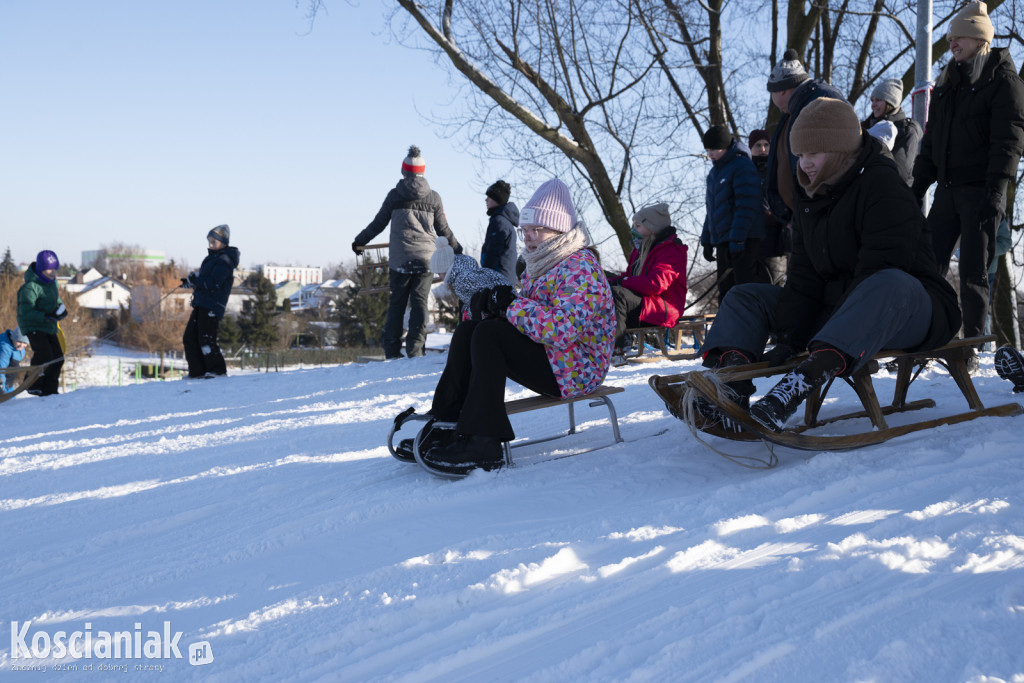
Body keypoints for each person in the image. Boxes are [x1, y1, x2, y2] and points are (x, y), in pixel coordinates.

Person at [694, 98, 961, 433]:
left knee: (889, 281)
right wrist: (792, 336)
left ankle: (800, 383)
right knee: (745, 296)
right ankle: (730, 382)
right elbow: (804, 276)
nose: (804, 164)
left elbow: (882, 265)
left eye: (813, 154)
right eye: (800, 155)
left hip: (910, 307)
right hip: (838, 309)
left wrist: (822, 329)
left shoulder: (883, 186)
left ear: (839, 150)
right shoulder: (810, 194)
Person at [402, 178, 616, 475]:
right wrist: (488, 308)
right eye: (525, 230)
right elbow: (525, 318)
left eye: (536, 230)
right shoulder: (541, 264)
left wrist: (509, 307)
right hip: (554, 359)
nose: (527, 238)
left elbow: (563, 328)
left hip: (578, 369)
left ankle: (483, 441)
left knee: (491, 336)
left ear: (559, 229)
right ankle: (446, 421)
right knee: (472, 331)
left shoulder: (580, 267)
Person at [911, 1, 1024, 373]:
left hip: (981, 191)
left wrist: (996, 193)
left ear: (978, 38)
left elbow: (1007, 142)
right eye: (949, 36)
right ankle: (921, 339)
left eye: (958, 35)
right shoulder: (947, 83)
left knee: (974, 271)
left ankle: (972, 346)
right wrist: (916, 186)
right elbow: (931, 142)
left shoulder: (1003, 81)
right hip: (946, 189)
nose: (951, 41)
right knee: (928, 265)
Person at [352, 146, 464, 359]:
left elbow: (378, 223)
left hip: (400, 259)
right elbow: (443, 230)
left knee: (398, 304)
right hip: (425, 260)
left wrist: (360, 241)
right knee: (420, 303)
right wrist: (458, 249)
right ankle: (415, 349)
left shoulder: (394, 195)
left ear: (404, 171)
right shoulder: (434, 198)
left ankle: (392, 350)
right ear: (423, 171)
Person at [764, 49, 846, 225]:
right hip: (804, 215)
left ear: (782, 90)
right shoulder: (794, 110)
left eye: (772, 92)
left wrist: (816, 206)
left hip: (821, 214)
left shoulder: (822, 100)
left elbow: (840, 157)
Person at [607, 203, 688, 363]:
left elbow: (656, 283)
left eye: (638, 225)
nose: (633, 230)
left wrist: (623, 282)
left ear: (652, 227)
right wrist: (605, 281)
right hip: (646, 302)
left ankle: (618, 349)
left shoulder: (670, 250)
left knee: (618, 294)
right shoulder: (641, 249)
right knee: (607, 286)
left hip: (664, 307)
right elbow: (630, 276)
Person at [700, 125, 764, 303]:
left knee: (743, 288)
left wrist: (738, 238)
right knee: (725, 289)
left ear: (725, 146)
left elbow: (747, 204)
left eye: (715, 149)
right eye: (708, 150)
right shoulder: (714, 173)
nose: (711, 154)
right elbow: (711, 210)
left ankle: (750, 327)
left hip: (744, 239)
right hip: (723, 240)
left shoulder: (742, 166)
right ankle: (728, 328)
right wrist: (707, 240)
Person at [181, 224, 240, 379]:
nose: (210, 245)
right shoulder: (213, 258)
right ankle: (197, 371)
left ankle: (217, 370)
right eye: (209, 241)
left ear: (223, 242)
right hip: (202, 303)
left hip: (212, 305)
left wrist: (197, 280)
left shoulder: (225, 260)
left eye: (214, 242)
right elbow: (204, 280)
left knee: (206, 338)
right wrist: (192, 282)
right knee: (189, 338)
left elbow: (214, 282)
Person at [16, 250, 67, 396]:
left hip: (49, 325)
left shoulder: (52, 284)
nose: (53, 272)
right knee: (45, 354)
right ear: (40, 269)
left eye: (55, 269)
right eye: (49, 269)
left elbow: (56, 301)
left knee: (57, 358)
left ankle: (49, 389)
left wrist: (61, 310)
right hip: (32, 325)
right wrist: (45, 316)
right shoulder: (30, 287)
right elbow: (25, 312)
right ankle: (32, 384)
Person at [429, 235, 512, 322]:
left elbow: (476, 305)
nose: (439, 277)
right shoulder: (472, 272)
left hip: (495, 316)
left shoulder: (461, 281)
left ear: (446, 269)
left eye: (439, 273)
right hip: (507, 307)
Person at [860, 78, 922, 185]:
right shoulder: (866, 128)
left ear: (891, 102)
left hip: (890, 194)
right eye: (872, 100)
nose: (873, 105)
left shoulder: (906, 130)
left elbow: (900, 171)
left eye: (878, 100)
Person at [749, 129, 788, 285]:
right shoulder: (745, 171)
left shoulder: (779, 168)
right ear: (751, 148)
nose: (763, 149)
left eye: (766, 144)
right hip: (752, 234)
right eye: (758, 145)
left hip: (776, 232)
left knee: (774, 279)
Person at [480, 180, 519, 286]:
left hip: (499, 281)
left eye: (489, 197)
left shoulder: (499, 222)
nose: (486, 199)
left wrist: (485, 279)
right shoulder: (502, 220)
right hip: (504, 279)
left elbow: (493, 253)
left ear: (497, 199)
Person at [0, 327, 29, 394]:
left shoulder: (17, 347)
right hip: (3, 378)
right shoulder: (5, 348)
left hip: (9, 381)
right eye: (19, 341)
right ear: (13, 338)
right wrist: (1, 383)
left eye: (25, 343)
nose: (21, 345)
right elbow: (1, 366)